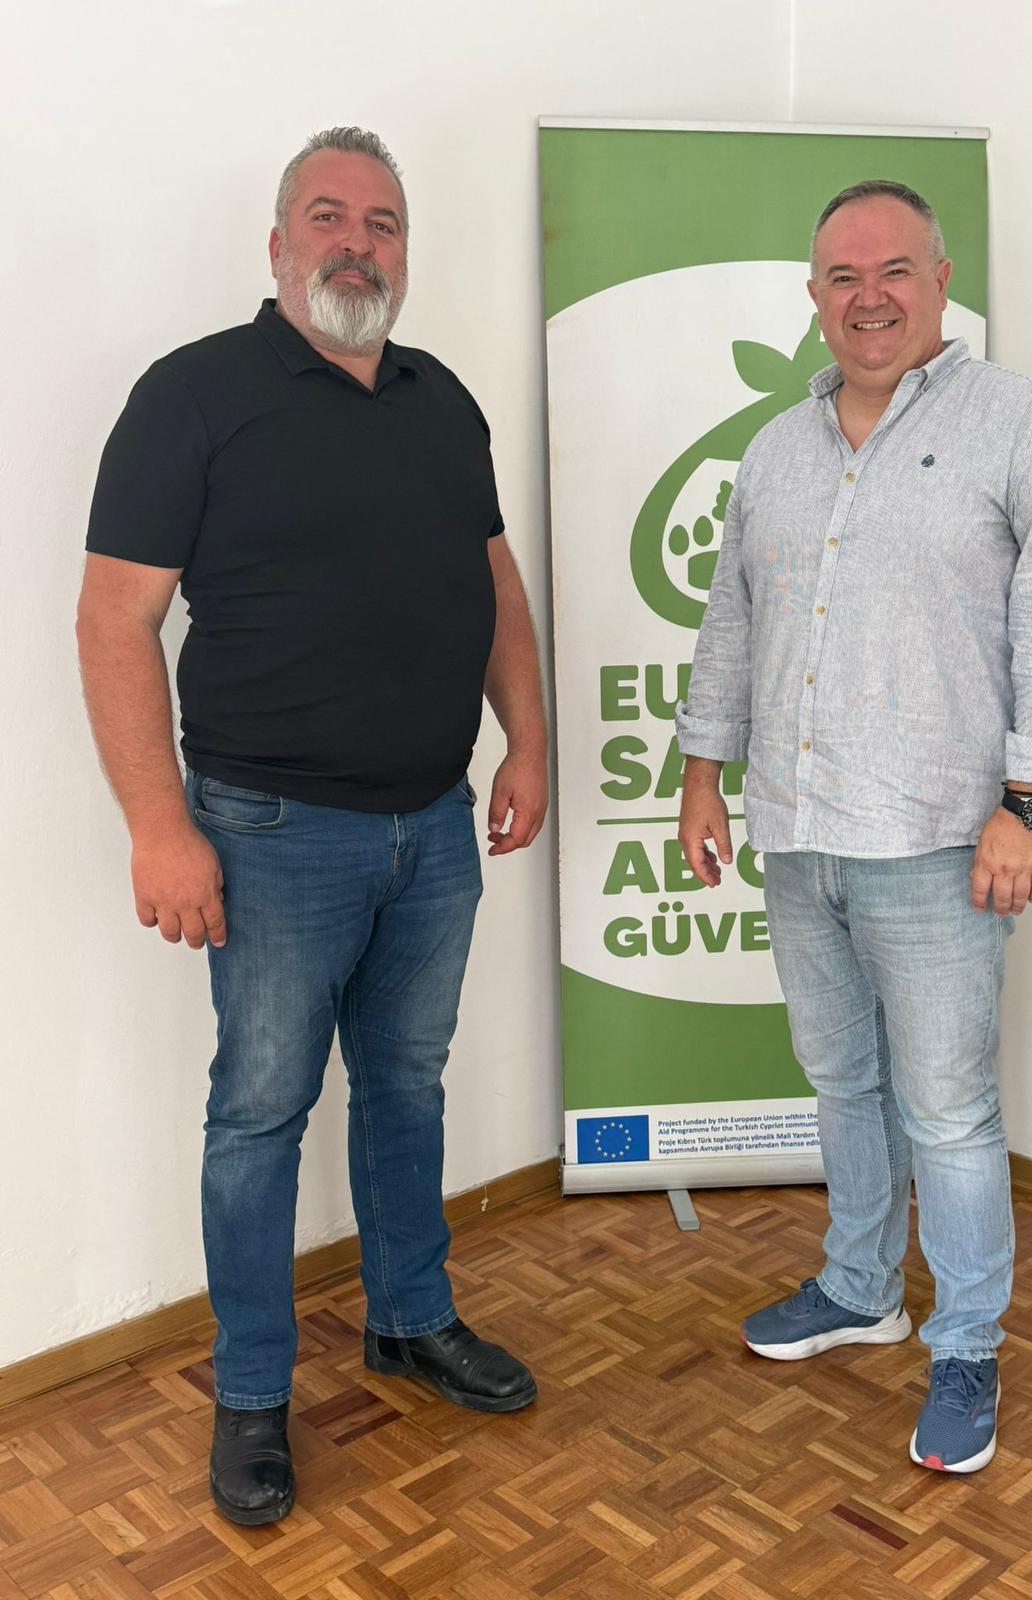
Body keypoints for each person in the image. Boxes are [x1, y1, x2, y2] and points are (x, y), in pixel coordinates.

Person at [76, 127, 548, 1525]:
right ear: (279, 246)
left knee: (408, 1084)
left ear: (406, 251)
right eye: (329, 217)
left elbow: (493, 582)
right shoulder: (192, 396)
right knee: (260, 1112)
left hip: (433, 826)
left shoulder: (441, 400)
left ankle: (409, 1318)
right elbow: (113, 620)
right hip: (269, 832)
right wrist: (158, 827)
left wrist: (528, 738)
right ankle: (251, 1393)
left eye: (383, 222)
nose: (358, 243)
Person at [677, 179, 1032, 1475]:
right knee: (841, 1080)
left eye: (893, 271)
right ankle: (861, 1286)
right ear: (814, 296)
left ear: (940, 281)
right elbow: (733, 621)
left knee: (951, 1114)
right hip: (800, 828)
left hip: (940, 837)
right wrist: (704, 773)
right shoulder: (778, 449)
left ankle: (967, 1343)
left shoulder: (1028, 429)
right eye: (842, 276)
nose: (868, 297)